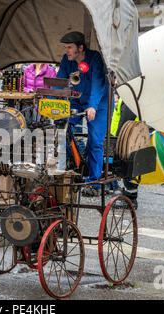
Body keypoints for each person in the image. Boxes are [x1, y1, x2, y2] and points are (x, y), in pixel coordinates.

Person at [56, 31, 109, 197]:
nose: (67, 51)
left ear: (80, 47)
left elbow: (98, 84)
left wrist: (92, 106)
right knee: (62, 129)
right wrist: (51, 102)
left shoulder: (94, 58)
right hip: (77, 100)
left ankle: (94, 182)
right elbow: (60, 82)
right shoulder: (67, 60)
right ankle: (78, 163)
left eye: (69, 47)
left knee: (95, 141)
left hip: (99, 103)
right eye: (65, 48)